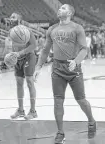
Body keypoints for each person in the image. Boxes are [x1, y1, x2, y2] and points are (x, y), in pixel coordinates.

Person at [34, 4, 96, 143]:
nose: (59, 9)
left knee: (81, 100)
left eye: (63, 8)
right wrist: (38, 67)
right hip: (57, 68)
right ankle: (60, 133)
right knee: (58, 101)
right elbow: (45, 51)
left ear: (69, 13)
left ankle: (91, 121)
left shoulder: (77, 28)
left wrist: (76, 61)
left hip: (74, 68)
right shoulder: (51, 29)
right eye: (59, 8)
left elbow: (84, 49)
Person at [9, 12, 37, 120]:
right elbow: (14, 46)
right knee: (19, 83)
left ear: (19, 19)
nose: (11, 19)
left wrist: (20, 53)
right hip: (17, 59)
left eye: (14, 17)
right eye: (11, 17)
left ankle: (33, 111)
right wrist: (11, 57)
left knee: (29, 81)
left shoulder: (26, 30)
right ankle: (20, 110)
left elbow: (34, 45)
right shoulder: (11, 31)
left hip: (28, 57)